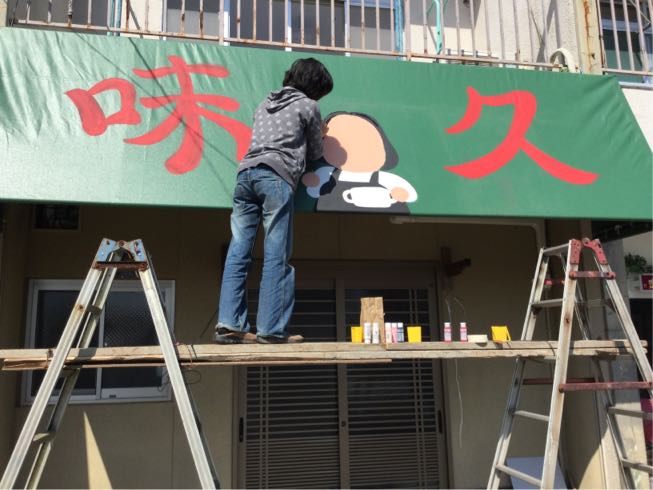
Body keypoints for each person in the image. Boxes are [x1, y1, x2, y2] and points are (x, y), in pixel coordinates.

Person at [214, 58, 333, 344]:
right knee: (276, 254)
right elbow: (316, 153)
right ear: (314, 86)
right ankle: (271, 329)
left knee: (238, 251)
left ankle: (229, 324)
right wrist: (322, 133)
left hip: (245, 175)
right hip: (275, 177)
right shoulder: (308, 106)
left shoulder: (264, 103)